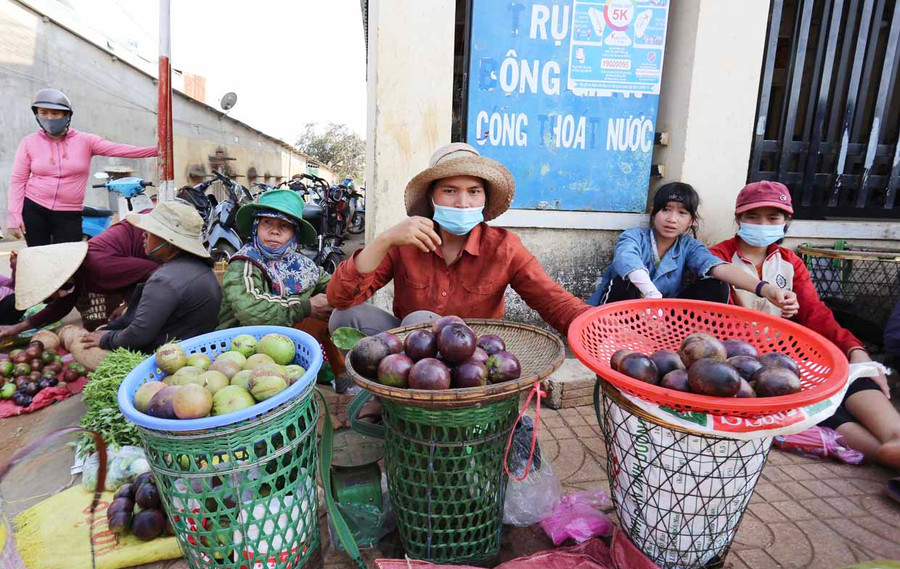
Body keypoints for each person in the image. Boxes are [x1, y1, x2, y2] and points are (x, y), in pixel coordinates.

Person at [710, 181, 900, 469]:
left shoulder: (790, 262)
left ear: (786, 221)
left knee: (849, 376)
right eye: (753, 217)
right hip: (748, 365)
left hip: (791, 355)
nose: (762, 224)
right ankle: (884, 453)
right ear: (738, 219)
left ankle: (894, 439)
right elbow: (714, 318)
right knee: (814, 402)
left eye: (772, 218)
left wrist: (854, 349)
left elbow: (816, 314)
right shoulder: (718, 257)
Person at [328, 142, 591, 338]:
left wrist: (598, 329)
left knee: (420, 320)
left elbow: (552, 299)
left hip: (472, 358)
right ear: (432, 198)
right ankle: (378, 392)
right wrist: (383, 240)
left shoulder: (504, 247)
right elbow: (340, 298)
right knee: (345, 317)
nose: (463, 203)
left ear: (484, 199)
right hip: (412, 348)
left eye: (473, 192)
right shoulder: (406, 241)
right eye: (450, 191)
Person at [588, 182, 798, 315]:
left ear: (691, 221)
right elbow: (627, 260)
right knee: (623, 278)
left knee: (717, 284)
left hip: (661, 316)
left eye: (682, 213)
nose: (671, 219)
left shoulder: (690, 247)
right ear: (653, 213)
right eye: (666, 210)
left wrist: (765, 288)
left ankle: (680, 338)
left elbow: (718, 267)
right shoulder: (634, 236)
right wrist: (650, 292)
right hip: (619, 313)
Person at [216, 189, 345, 381]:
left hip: (283, 345)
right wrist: (307, 306)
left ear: (294, 234)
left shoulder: (304, 265)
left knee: (332, 314)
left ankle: (342, 377)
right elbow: (251, 310)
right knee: (314, 312)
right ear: (256, 227)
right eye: (267, 222)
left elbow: (335, 287)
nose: (274, 231)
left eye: (284, 226)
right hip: (242, 350)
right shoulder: (244, 263)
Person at [7, 88, 157, 246]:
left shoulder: (86, 141)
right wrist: (14, 214)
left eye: (55, 113)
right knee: (37, 256)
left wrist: (158, 151)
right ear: (37, 114)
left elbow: (120, 149)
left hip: (69, 212)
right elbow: (18, 179)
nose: (49, 118)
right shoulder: (29, 142)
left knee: (68, 259)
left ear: (67, 115)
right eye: (43, 112)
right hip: (35, 208)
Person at [79, 202, 222, 353]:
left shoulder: (164, 280)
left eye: (151, 231)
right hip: (197, 349)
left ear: (168, 240)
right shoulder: (199, 268)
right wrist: (112, 328)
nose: (143, 234)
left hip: (174, 356)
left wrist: (105, 339)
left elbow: (139, 335)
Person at [0, 218, 159, 339]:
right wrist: (17, 327)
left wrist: (128, 306)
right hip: (142, 258)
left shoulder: (100, 267)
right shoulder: (75, 271)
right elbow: (60, 307)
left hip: (155, 241)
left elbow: (153, 271)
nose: (52, 297)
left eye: (49, 292)